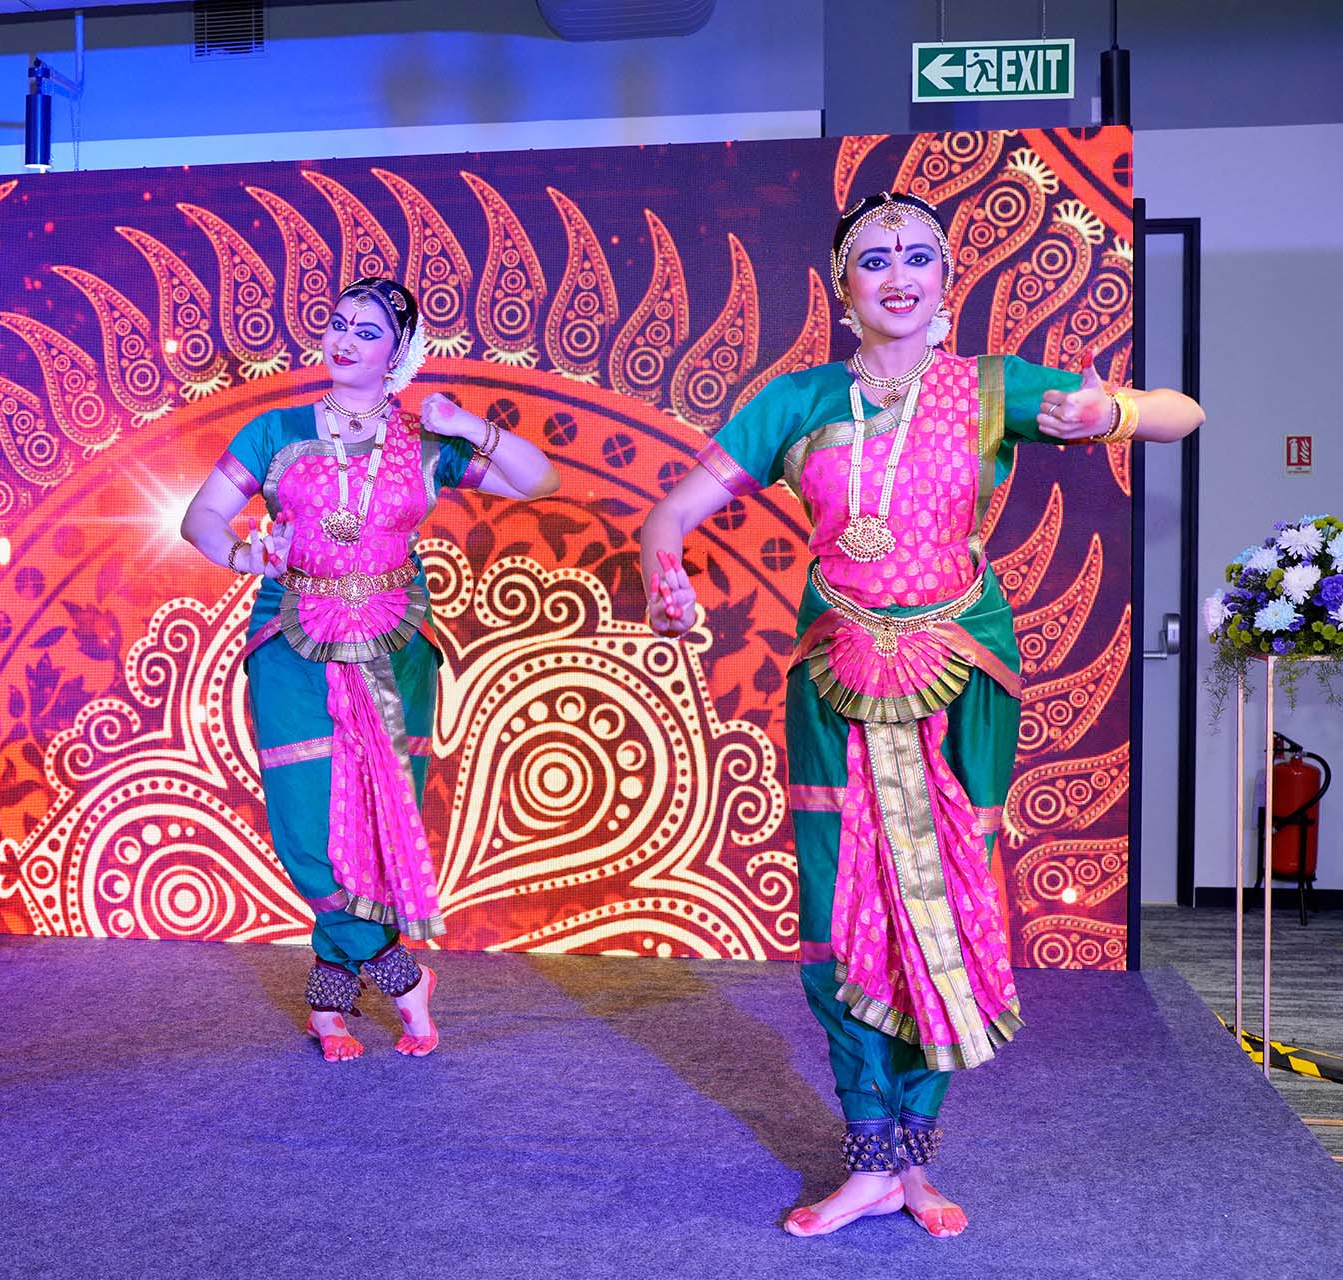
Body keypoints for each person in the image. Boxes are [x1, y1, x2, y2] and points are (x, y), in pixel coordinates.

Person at [637, 193, 1202, 1236]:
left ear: (947, 281)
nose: (899, 275)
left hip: (960, 668)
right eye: (875, 260)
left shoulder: (994, 387)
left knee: (943, 902)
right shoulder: (799, 397)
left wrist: (1108, 413)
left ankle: (916, 1155)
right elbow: (671, 509)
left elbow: (1183, 412)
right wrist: (664, 564)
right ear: (844, 288)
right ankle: (867, 1152)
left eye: (919, 258)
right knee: (842, 906)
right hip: (834, 670)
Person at [181, 277, 559, 1061]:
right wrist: (245, 554)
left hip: (395, 644)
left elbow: (540, 480)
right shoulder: (275, 430)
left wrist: (470, 428)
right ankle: (397, 971)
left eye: (367, 331)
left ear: (400, 353)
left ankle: (328, 999)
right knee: (307, 829)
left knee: (376, 827)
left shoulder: (427, 441)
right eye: (337, 323)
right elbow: (201, 518)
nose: (344, 340)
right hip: (289, 638)